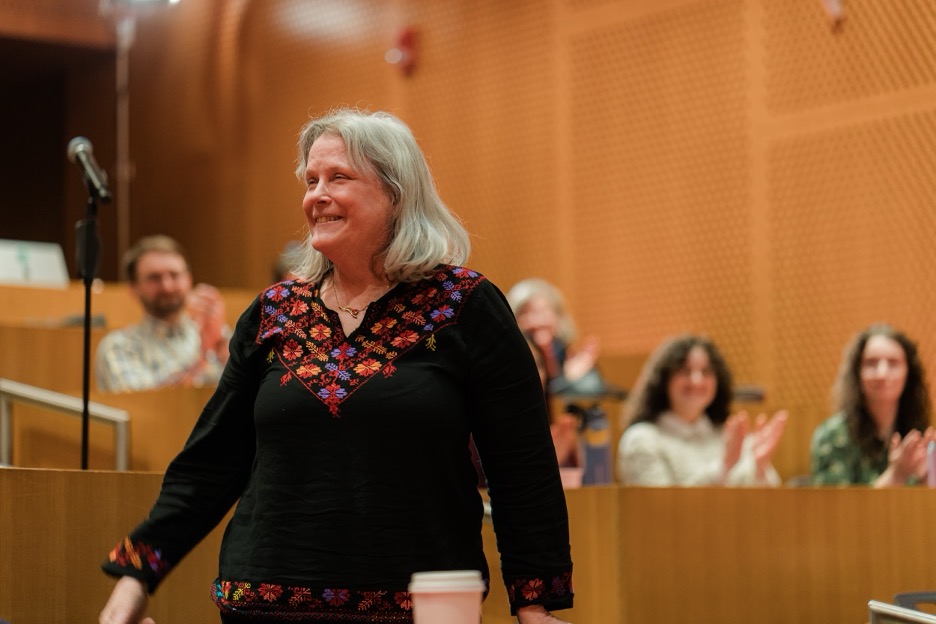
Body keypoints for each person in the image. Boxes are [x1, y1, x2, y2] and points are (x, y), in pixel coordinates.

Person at [98, 108, 573, 624]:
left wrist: (534, 602)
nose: (315, 195)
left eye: (338, 178)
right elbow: (210, 463)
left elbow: (522, 466)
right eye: (310, 180)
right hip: (264, 602)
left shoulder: (466, 305)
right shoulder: (274, 310)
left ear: (396, 193)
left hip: (419, 605)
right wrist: (135, 579)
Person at [616, 334, 788, 486]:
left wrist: (759, 468)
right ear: (663, 381)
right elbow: (661, 509)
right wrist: (723, 467)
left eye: (706, 372)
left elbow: (766, 506)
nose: (697, 381)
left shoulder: (730, 436)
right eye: (685, 371)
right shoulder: (643, 440)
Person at [94, 235, 230, 393]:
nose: (167, 286)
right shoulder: (118, 347)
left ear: (189, 279)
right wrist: (203, 356)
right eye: (155, 278)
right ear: (133, 287)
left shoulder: (218, 334)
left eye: (174, 275)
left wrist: (222, 349)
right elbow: (148, 408)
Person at [811, 323, 935, 487]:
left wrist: (927, 479)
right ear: (857, 374)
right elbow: (834, 509)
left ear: (908, 374)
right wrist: (896, 476)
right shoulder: (831, 436)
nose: (881, 373)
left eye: (893, 363)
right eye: (871, 363)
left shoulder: (919, 435)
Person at [506, 278, 601, 397]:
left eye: (543, 312)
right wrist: (570, 379)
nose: (537, 321)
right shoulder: (512, 352)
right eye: (527, 313)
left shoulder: (560, 347)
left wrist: (579, 368)